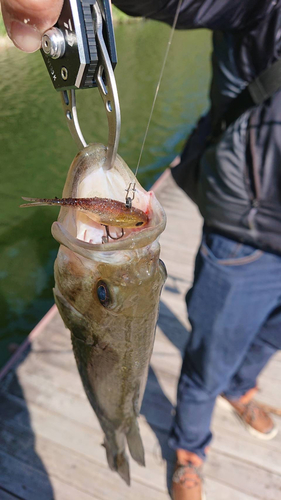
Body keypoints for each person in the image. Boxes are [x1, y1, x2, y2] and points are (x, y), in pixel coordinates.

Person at [2, 1, 281, 499]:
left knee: (268, 337)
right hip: (248, 232)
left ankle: (239, 389)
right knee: (210, 353)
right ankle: (189, 449)